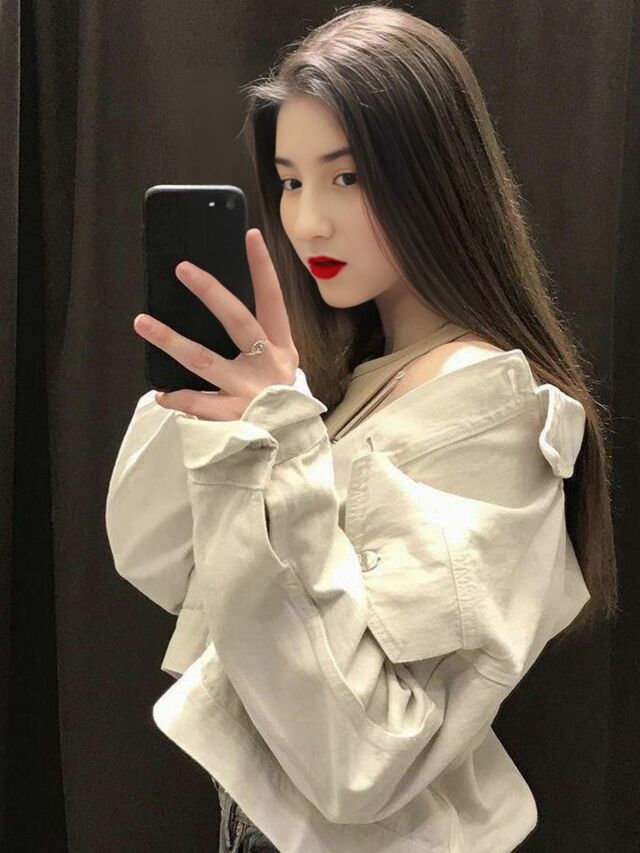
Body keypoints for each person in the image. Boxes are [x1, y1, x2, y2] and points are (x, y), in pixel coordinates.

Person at [105, 5, 618, 851]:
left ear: (437, 178)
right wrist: (222, 409)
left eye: (346, 178)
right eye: (290, 181)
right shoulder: (341, 384)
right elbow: (162, 561)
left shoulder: (495, 411)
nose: (308, 220)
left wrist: (273, 434)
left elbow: (364, 752)